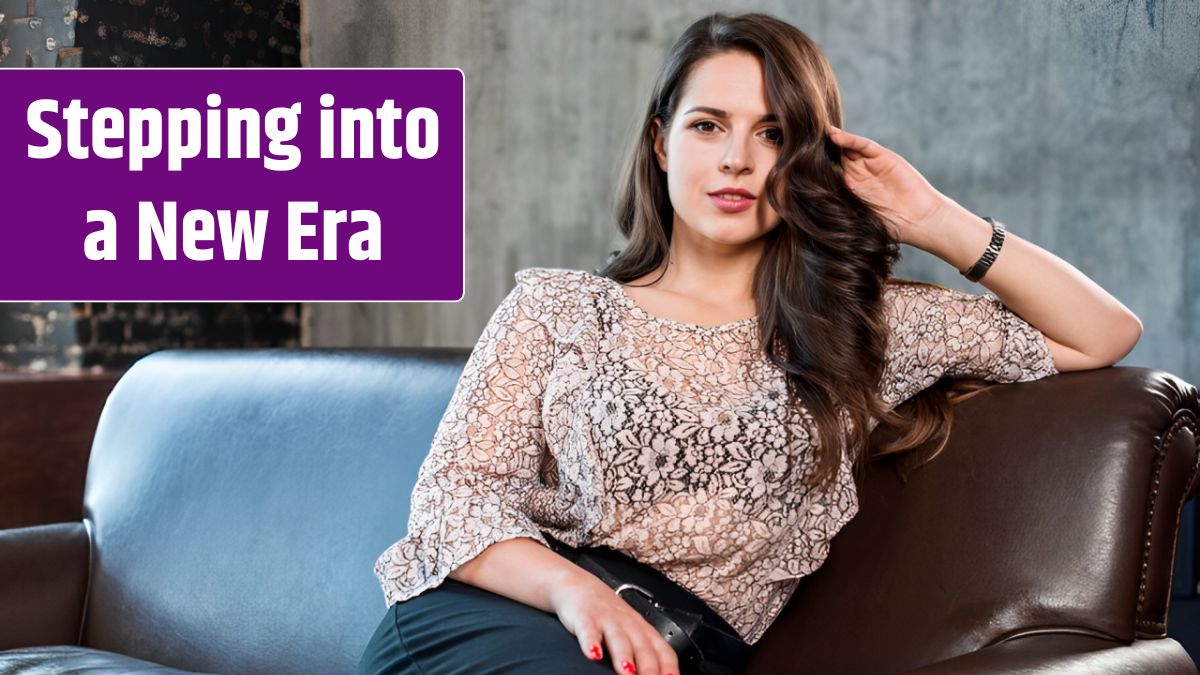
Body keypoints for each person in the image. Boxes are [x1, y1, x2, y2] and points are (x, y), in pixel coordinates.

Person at [357, 11, 1142, 675]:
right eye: (709, 126)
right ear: (662, 143)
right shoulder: (561, 309)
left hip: (678, 648)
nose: (737, 158)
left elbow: (1103, 331)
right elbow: (453, 502)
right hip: (501, 617)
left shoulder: (861, 326)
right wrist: (580, 595)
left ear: (806, 160)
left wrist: (937, 220)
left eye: (773, 134)